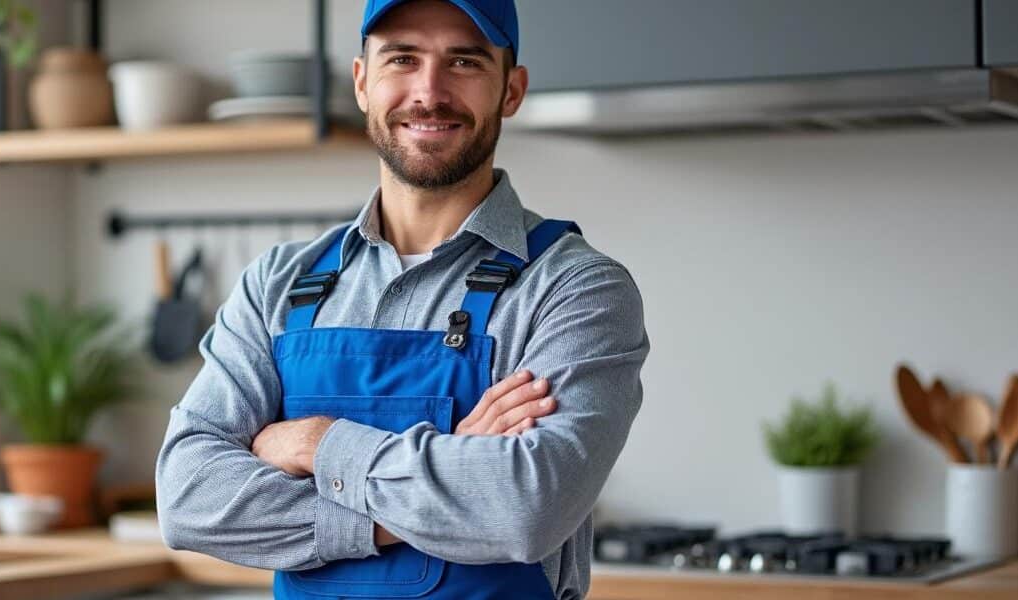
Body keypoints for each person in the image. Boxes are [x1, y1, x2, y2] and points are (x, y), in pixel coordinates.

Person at [155, 1, 649, 598]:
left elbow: (523, 510)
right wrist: (448, 477)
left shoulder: (575, 288)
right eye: (402, 59)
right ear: (362, 82)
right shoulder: (278, 284)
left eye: (464, 62)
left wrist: (315, 443)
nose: (429, 92)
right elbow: (187, 497)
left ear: (511, 90)